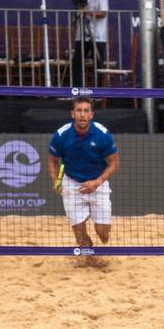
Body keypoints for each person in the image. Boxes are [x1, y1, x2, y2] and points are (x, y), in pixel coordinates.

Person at [48, 98, 119, 247]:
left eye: (86, 111)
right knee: (80, 236)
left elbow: (114, 163)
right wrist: (56, 180)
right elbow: (52, 160)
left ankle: (103, 247)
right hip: (72, 184)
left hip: (97, 183)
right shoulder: (62, 135)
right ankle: (91, 260)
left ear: (91, 114)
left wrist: (97, 182)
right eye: (79, 111)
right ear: (72, 114)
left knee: (102, 232)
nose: (82, 114)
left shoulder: (102, 134)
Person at [71, 0, 109, 87]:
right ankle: (76, 90)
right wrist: (77, 14)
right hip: (81, 35)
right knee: (77, 63)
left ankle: (100, 92)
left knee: (98, 65)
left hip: (97, 36)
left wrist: (87, 12)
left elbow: (103, 14)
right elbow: (75, 17)